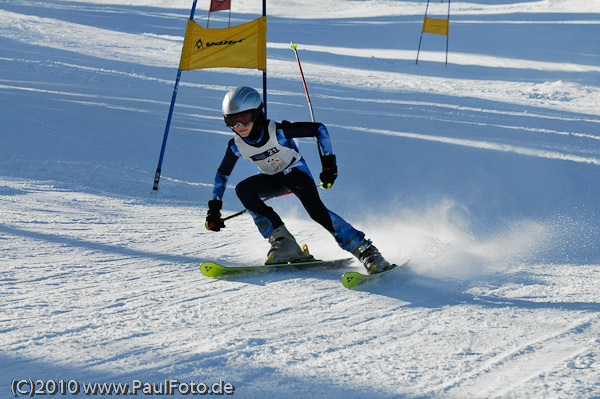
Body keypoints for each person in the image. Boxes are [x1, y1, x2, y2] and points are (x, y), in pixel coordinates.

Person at [205, 86, 393, 274]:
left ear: (256, 114)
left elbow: (319, 129)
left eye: (244, 119)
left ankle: (367, 251)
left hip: (295, 173)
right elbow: (222, 174)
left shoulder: (278, 131)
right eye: (232, 121)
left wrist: (329, 165)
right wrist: (214, 209)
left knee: (316, 212)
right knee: (244, 189)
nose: (239, 127)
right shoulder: (236, 146)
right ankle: (284, 244)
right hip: (271, 179)